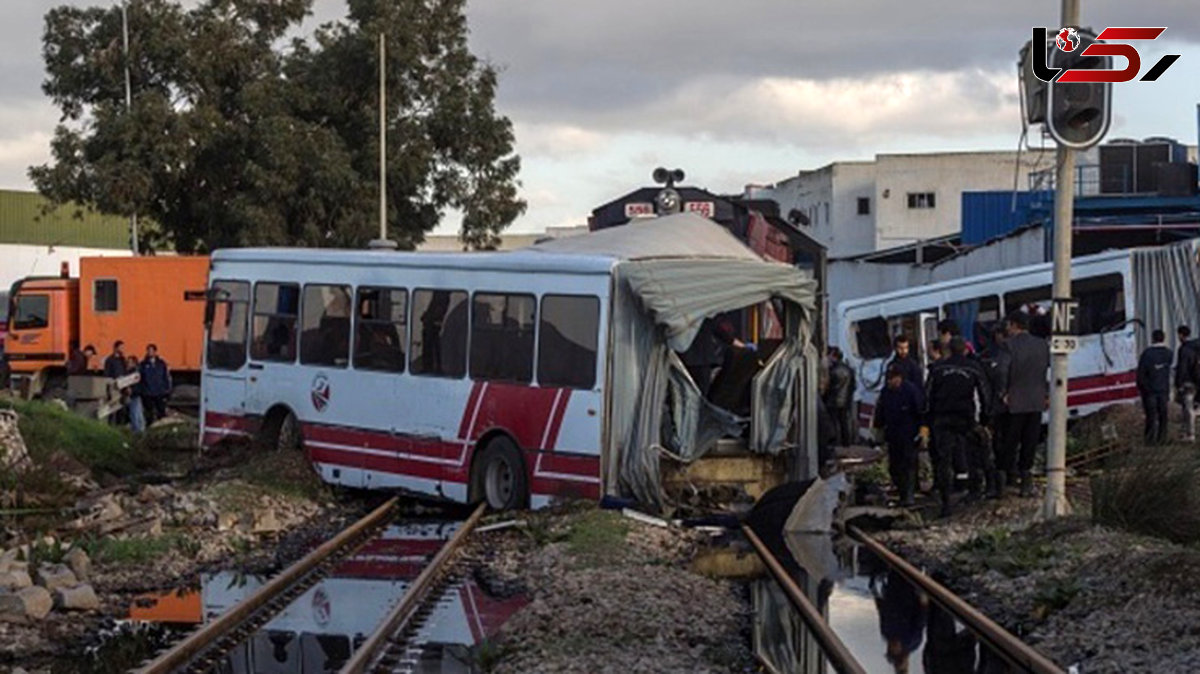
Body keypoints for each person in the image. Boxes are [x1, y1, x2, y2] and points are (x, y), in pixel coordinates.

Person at [926, 337, 991, 517]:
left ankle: (946, 502)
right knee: (974, 455)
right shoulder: (972, 368)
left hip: (943, 419)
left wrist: (927, 421)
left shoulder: (938, 369)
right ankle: (975, 492)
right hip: (966, 418)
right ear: (964, 351)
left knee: (943, 461)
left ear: (948, 350)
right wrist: (985, 419)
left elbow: (928, 396)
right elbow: (984, 393)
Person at [1001, 311, 1049, 497]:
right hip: (1036, 398)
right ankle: (1026, 477)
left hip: (1016, 399)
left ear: (1014, 325)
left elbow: (1003, 371)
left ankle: (1010, 477)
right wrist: (1044, 394)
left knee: (1011, 440)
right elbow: (1044, 370)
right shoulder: (1041, 344)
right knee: (1031, 439)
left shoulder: (1008, 346)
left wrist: (1003, 392)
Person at [873, 364, 924, 507]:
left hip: (909, 434)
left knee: (908, 465)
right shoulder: (886, 392)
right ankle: (901, 492)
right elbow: (881, 412)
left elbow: (921, 412)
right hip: (893, 434)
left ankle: (908, 496)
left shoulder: (911, 391)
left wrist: (922, 433)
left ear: (899, 378)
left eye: (891, 379)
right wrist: (878, 430)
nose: (889, 382)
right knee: (895, 466)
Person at [980, 324, 1010, 497]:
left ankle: (1000, 484)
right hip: (1004, 408)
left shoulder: (995, 356)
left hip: (999, 408)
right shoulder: (993, 355)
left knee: (999, 447)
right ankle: (1004, 481)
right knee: (1003, 445)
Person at [1137, 330, 1173, 446]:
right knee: (1163, 415)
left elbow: (1141, 374)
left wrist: (1143, 389)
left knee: (1151, 416)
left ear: (1152, 338)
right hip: (1163, 389)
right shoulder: (1168, 353)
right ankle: (1162, 439)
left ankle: (1149, 440)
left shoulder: (1147, 354)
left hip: (1150, 391)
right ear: (1163, 338)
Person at [826, 347, 856, 447]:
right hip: (846, 400)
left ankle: (835, 442)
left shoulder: (832, 371)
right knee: (844, 422)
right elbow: (853, 386)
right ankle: (846, 443)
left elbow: (829, 387)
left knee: (833, 423)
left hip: (833, 401)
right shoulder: (849, 370)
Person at [138, 344, 173, 425]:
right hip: (148, 392)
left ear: (155, 352)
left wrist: (166, 389)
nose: (150, 352)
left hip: (159, 391)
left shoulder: (161, 363)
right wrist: (142, 390)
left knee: (161, 410)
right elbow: (140, 378)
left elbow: (165, 376)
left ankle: (161, 425)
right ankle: (149, 426)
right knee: (149, 412)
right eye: (148, 351)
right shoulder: (143, 364)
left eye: (152, 351)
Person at [1177, 325, 1199, 442]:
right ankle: (1185, 432)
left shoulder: (1184, 349)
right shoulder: (1195, 347)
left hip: (1187, 382)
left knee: (1188, 408)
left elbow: (1182, 368)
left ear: (1181, 335)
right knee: (1189, 408)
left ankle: (1190, 434)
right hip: (1196, 381)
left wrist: (1179, 383)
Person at [125, 355, 146, 433]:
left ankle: (136, 430)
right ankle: (141, 429)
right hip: (136, 394)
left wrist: (132, 391)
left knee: (134, 413)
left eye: (130, 362)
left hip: (134, 395)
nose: (128, 364)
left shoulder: (133, 374)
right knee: (138, 412)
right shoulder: (137, 372)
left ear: (134, 363)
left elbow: (136, 385)